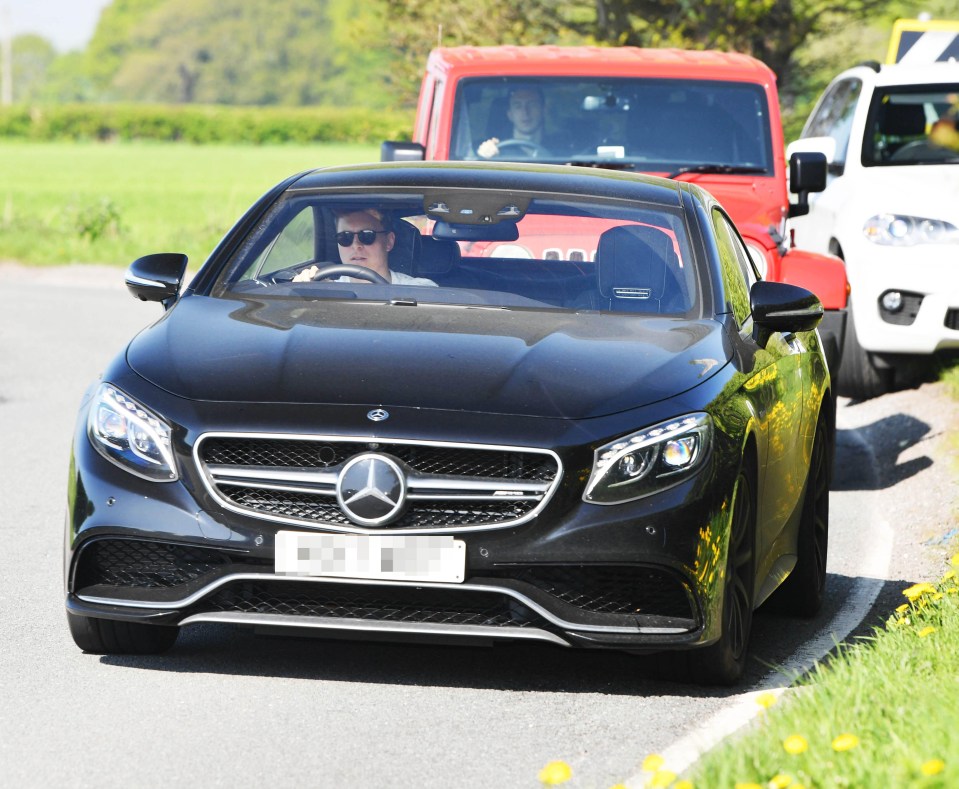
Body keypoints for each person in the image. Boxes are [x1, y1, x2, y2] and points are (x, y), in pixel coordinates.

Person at [293, 208, 436, 286]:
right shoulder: (325, 290)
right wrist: (303, 293)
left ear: (389, 242)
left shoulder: (421, 290)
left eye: (367, 236)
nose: (356, 245)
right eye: (345, 238)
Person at [477, 86, 568, 159]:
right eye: (518, 106)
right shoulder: (497, 150)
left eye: (532, 104)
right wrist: (484, 158)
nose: (525, 112)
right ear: (510, 114)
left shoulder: (562, 149)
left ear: (543, 110)